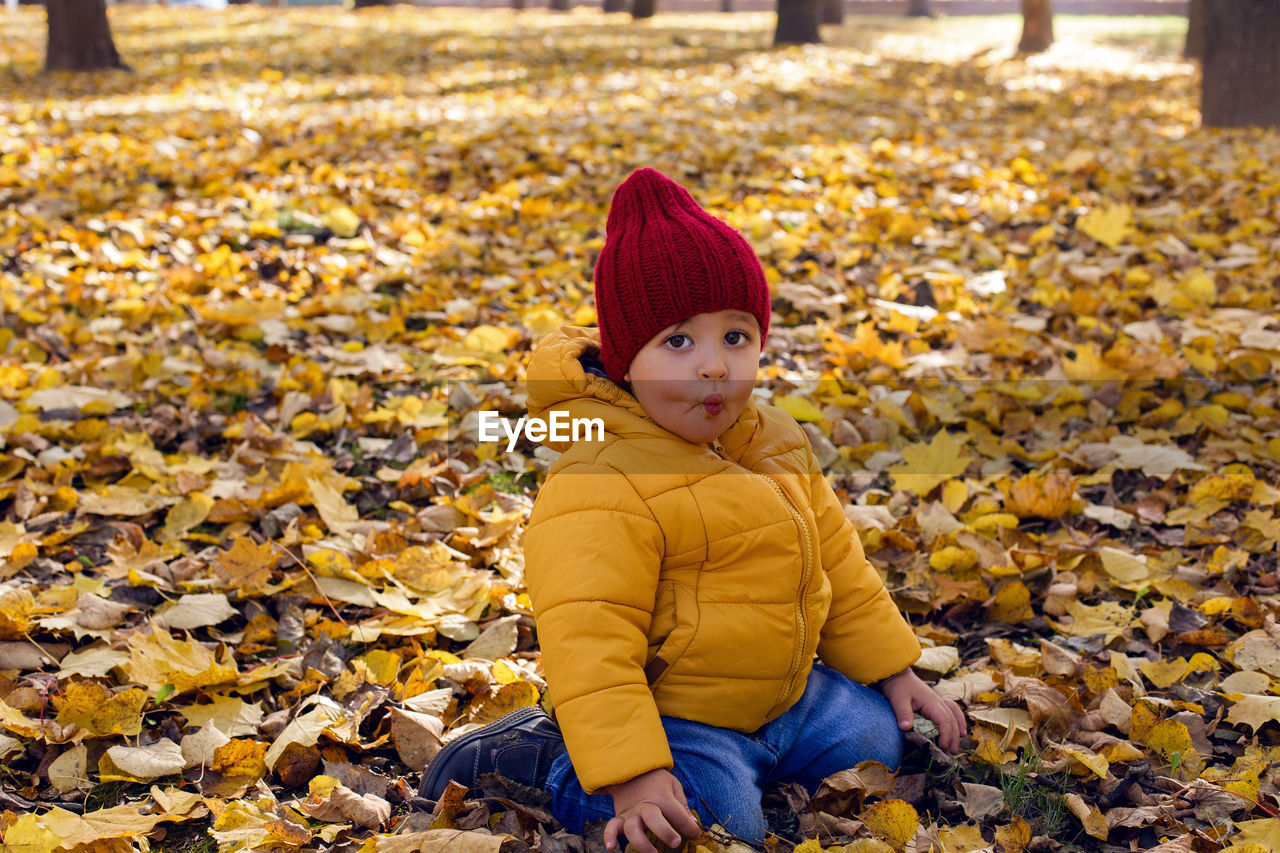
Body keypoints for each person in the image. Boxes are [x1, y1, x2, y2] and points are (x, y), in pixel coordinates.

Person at [420, 168, 966, 851]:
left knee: (877, 739)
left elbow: (840, 569)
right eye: (678, 342)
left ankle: (767, 751)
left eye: (735, 337)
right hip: (672, 719)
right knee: (713, 822)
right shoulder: (604, 476)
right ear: (627, 363)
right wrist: (635, 773)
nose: (714, 365)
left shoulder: (774, 440)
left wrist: (895, 671)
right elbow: (590, 639)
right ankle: (552, 761)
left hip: (782, 700)